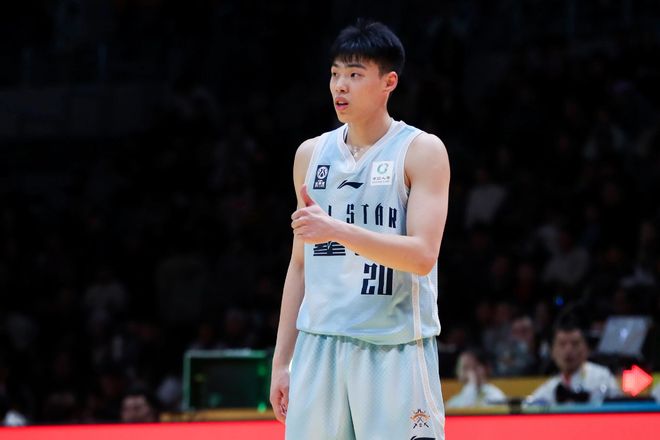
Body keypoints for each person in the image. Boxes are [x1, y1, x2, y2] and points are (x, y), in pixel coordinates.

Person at [269, 19, 450, 440]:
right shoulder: (310, 154)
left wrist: (336, 229)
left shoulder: (421, 151)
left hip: (395, 347)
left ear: (389, 82)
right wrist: (282, 362)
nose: (340, 86)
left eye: (354, 74)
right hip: (319, 345)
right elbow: (300, 266)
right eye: (335, 74)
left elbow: (423, 256)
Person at [526, 319, 621, 406]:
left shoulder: (603, 377)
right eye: (562, 344)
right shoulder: (549, 389)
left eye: (575, 343)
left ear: (586, 349)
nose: (568, 350)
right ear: (552, 352)